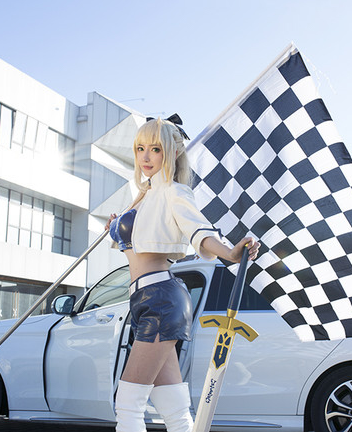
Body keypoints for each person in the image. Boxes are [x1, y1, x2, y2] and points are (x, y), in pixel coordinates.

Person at [106, 116, 260, 432]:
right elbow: (137, 244)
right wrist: (115, 226)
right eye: (140, 148)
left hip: (160, 298)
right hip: (146, 299)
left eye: (155, 149)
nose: (146, 156)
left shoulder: (175, 192)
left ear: (172, 152)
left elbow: (198, 229)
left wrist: (229, 254)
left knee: (128, 405)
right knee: (174, 411)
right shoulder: (145, 195)